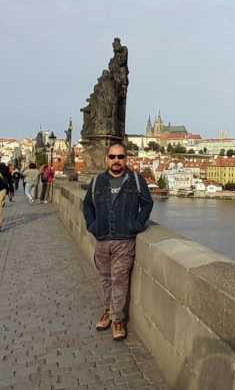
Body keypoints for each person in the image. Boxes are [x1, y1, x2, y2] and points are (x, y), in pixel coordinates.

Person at [83, 143, 153, 340]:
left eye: (120, 157)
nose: (116, 161)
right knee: (106, 280)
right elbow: (87, 205)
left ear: (126, 159)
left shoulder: (136, 180)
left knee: (119, 281)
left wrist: (137, 225)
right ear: (107, 159)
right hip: (102, 238)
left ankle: (117, 320)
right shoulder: (97, 181)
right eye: (112, 157)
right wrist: (92, 225)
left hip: (124, 239)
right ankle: (108, 310)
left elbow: (147, 204)